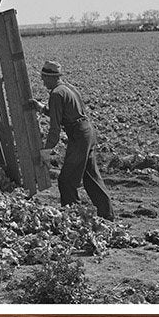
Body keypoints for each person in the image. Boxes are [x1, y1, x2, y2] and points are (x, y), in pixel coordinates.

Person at [33, 60, 114, 220]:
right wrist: (41, 108)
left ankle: (73, 216)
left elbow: (55, 128)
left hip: (78, 136)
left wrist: (47, 151)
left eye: (44, 77)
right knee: (91, 176)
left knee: (66, 180)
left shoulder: (56, 94)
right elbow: (65, 112)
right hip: (88, 132)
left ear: (51, 77)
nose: (42, 81)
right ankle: (107, 214)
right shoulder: (68, 88)